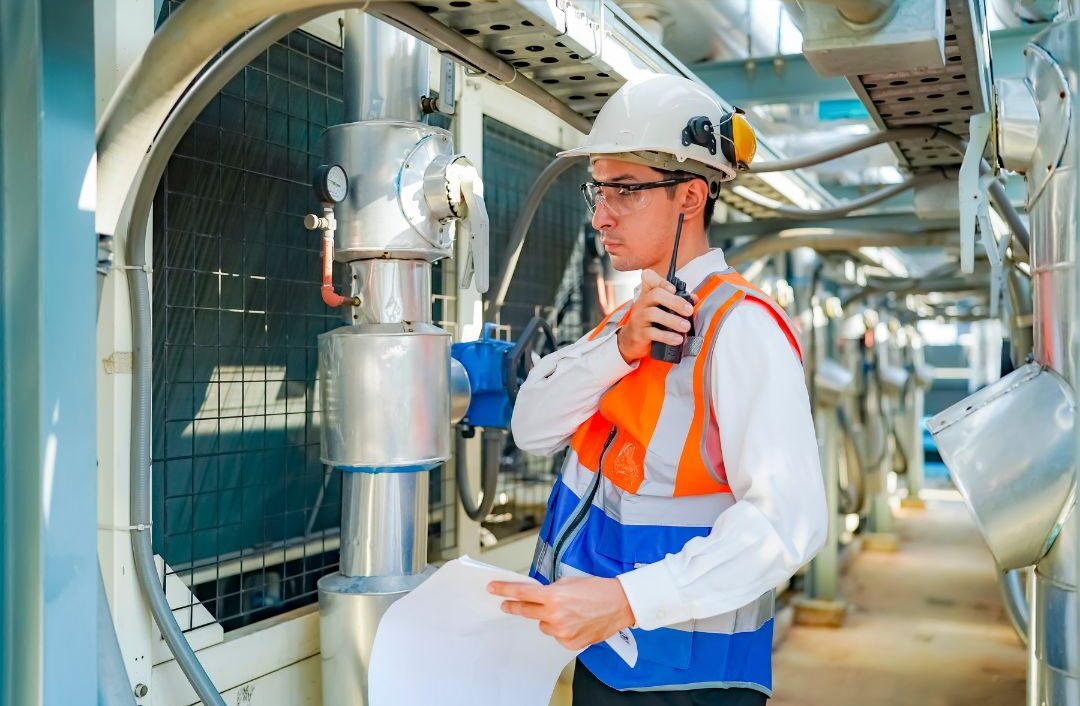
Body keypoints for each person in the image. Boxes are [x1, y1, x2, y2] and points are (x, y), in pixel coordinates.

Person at [487, 74, 827, 705]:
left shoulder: (742, 328)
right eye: (598, 188)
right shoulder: (629, 322)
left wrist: (624, 600)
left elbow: (791, 524)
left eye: (625, 190)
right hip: (609, 654)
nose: (600, 215)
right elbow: (532, 429)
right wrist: (618, 348)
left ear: (690, 197)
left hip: (690, 678)